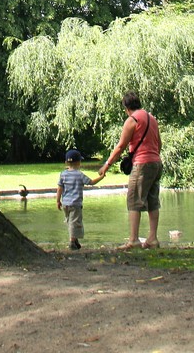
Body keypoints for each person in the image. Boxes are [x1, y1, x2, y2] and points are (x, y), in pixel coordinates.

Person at [97, 91, 162, 250]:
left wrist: (107, 164)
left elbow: (121, 147)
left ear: (126, 107)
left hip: (141, 164)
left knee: (134, 201)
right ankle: (152, 239)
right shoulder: (152, 118)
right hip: (156, 163)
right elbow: (159, 143)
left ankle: (133, 240)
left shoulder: (132, 120)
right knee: (153, 201)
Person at [56, 148, 104, 250]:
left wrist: (57, 201)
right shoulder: (79, 175)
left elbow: (60, 188)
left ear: (66, 162)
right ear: (79, 162)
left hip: (65, 203)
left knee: (70, 221)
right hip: (76, 204)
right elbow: (91, 182)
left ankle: (75, 240)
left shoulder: (63, 174)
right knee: (75, 222)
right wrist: (102, 177)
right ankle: (72, 242)